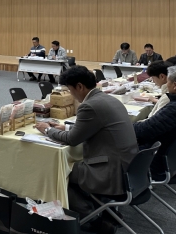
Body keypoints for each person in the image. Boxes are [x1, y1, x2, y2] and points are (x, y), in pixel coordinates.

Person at [35, 66, 138, 234]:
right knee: (71, 168)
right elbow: (93, 127)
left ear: (80, 86)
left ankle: (93, 218)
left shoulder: (89, 105)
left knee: (58, 174)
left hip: (112, 171)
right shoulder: (108, 99)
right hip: (130, 166)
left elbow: (72, 140)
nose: (71, 94)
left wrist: (47, 129)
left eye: (70, 90)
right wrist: (65, 127)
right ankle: (104, 211)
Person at [133, 71, 176, 180]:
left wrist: (126, 126)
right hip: (168, 158)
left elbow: (145, 130)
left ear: (175, 85)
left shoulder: (173, 109)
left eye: (167, 82)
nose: (166, 85)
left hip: (155, 161)